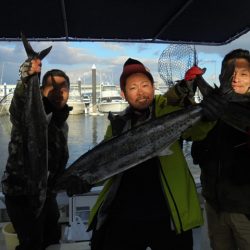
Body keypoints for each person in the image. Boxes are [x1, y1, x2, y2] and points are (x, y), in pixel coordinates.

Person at [87, 58, 226, 250]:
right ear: (124, 93)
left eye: (145, 85)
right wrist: (87, 180)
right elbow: (108, 164)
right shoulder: (118, 124)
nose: (141, 92)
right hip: (124, 214)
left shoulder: (168, 110)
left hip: (168, 214)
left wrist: (208, 118)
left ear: (153, 88)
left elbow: (195, 132)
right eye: (133, 88)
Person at [1, 58, 73, 250]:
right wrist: (27, 78)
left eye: (63, 88)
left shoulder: (62, 123)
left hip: (46, 193)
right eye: (52, 87)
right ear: (41, 91)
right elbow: (16, 109)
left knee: (52, 237)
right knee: (31, 243)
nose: (58, 92)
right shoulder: (28, 113)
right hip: (20, 194)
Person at [191, 49, 250, 250]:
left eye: (243, 74)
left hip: (246, 213)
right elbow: (197, 154)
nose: (236, 79)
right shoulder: (210, 112)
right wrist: (207, 121)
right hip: (215, 207)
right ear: (221, 77)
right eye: (230, 74)